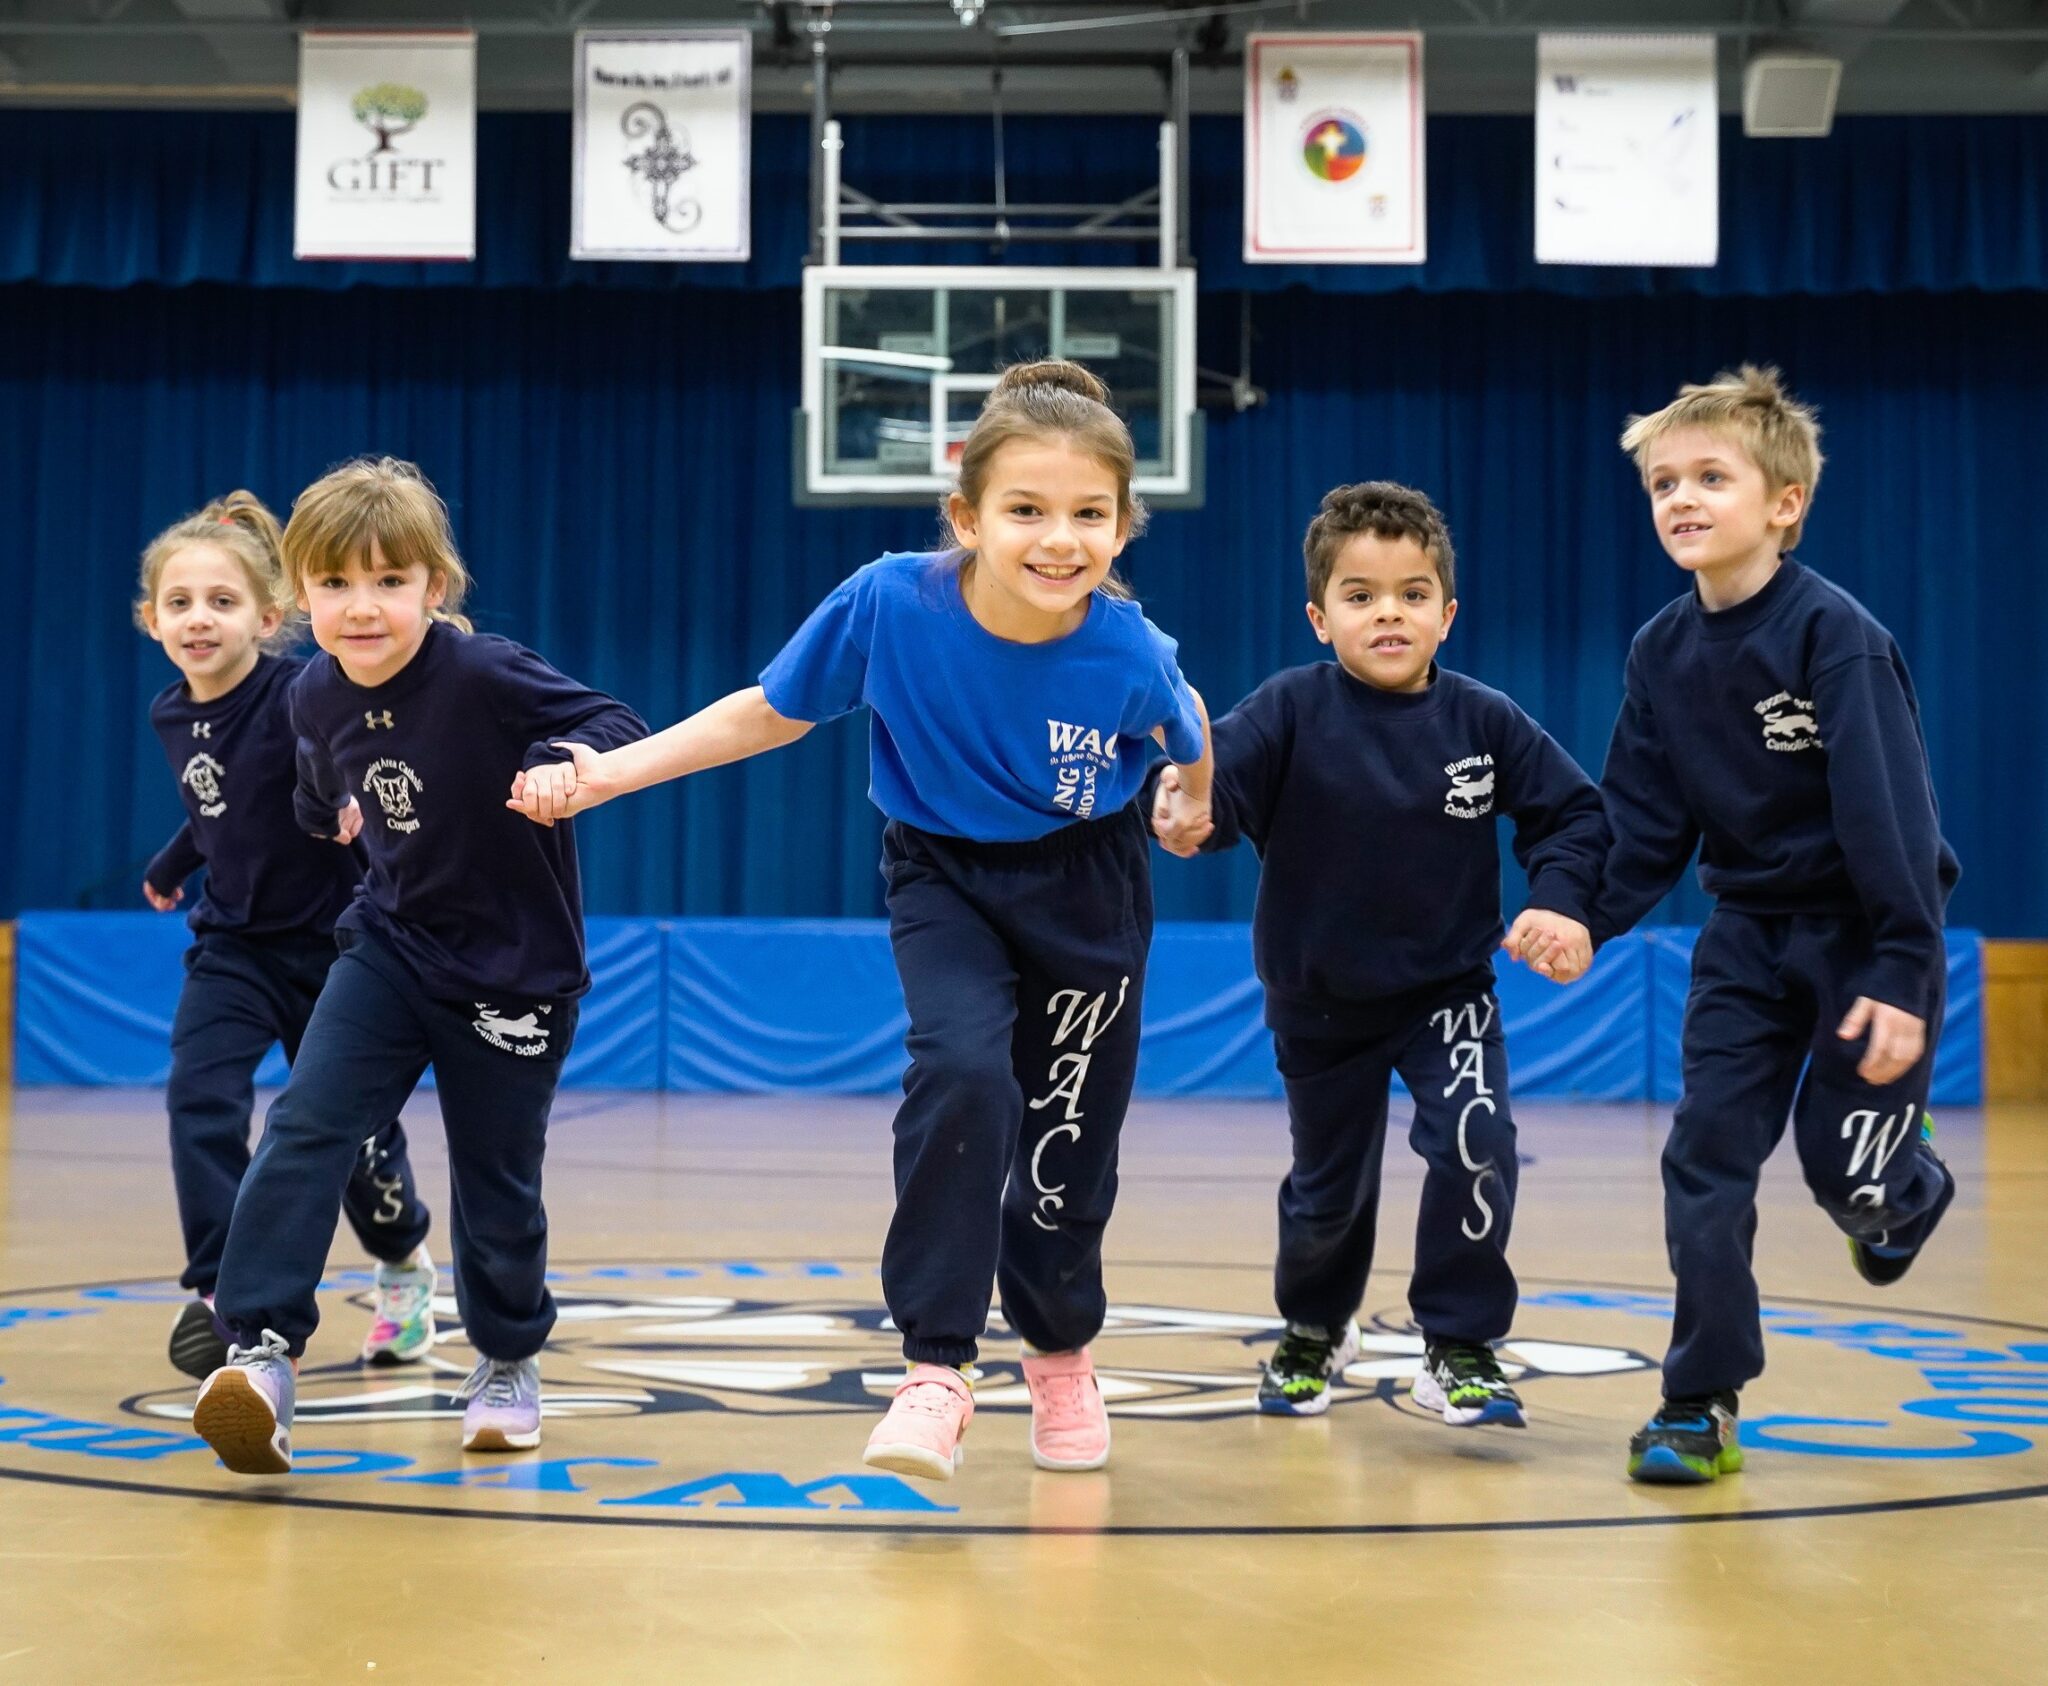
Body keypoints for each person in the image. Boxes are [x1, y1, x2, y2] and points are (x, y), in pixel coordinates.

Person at [512, 362, 1213, 1482]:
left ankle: (1059, 1353)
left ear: (1123, 526)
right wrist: (608, 775)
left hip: (1089, 886)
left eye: (1088, 515)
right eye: (1025, 510)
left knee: (1067, 1141)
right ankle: (935, 1368)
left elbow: (1187, 728)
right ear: (965, 516)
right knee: (962, 1072)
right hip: (942, 872)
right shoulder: (891, 601)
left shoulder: (1127, 651)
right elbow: (768, 713)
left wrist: (1192, 798)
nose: (1058, 538)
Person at [189, 459, 647, 1473]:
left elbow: (616, 722)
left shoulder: (483, 673)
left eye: (389, 582)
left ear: (433, 590)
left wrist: (571, 767)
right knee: (307, 1123)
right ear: (297, 599)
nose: (362, 607)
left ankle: (505, 1361)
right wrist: (332, 819)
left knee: (496, 1181)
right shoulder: (311, 694)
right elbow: (317, 792)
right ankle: (260, 1350)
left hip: (515, 974)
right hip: (389, 948)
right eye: (335, 584)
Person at [1574, 367, 1958, 1484]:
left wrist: (1898, 961)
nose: (1679, 499)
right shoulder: (1659, 652)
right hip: (1743, 936)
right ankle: (1697, 1401)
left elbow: (1889, 818)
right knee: (1704, 1158)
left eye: (1708, 477)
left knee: (1851, 1180)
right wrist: (1582, 918)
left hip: (1863, 937)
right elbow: (1641, 823)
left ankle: (1902, 1189)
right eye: (1660, 484)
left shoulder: (1833, 637)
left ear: (1782, 503)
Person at [1153, 481, 1605, 1427]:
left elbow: (1572, 816)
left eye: (1410, 593)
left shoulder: (1486, 722)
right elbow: (1212, 789)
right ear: (1322, 618)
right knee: (1327, 1192)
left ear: (1447, 612)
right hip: (1319, 1003)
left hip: (1448, 991)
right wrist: (1186, 809)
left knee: (1479, 1145)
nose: (1387, 612)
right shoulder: (1287, 709)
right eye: (1360, 596)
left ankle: (1461, 1344)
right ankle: (1315, 1326)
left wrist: (1561, 904)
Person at [135, 490, 433, 1382]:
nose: (199, 621)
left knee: (351, 1139)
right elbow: (214, 801)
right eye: (179, 604)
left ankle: (403, 1260)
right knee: (201, 1094)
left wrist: (346, 798)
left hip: (336, 948)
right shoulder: (172, 713)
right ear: (151, 620)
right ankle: (224, 1282)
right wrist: (170, 861)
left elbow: (336, 764)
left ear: (269, 617)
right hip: (233, 944)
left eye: (222, 603)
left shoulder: (300, 692)